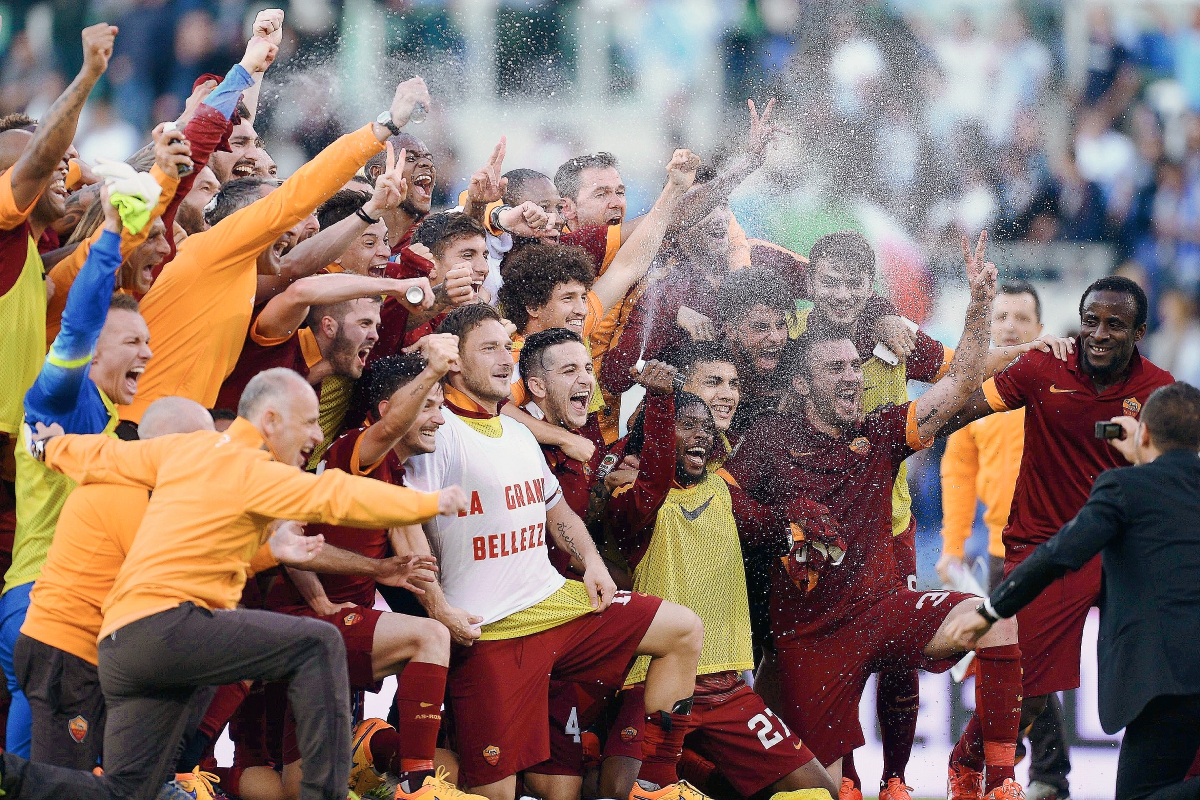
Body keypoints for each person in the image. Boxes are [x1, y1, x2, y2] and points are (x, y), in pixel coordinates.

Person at [1, 367, 467, 800]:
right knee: (318, 643)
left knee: (128, 791)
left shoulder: (179, 453)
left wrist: (47, 447)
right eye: (308, 422)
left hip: (123, 646)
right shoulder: (250, 468)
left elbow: (100, 455)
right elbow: (334, 495)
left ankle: (10, 773)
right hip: (153, 631)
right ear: (270, 420)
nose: (316, 435)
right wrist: (427, 505)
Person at [726, 233, 1026, 798]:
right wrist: (782, 523)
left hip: (880, 605)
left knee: (998, 620)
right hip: (812, 635)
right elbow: (722, 498)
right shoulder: (767, 439)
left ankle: (995, 780)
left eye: (853, 367)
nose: (852, 377)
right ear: (799, 381)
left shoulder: (882, 430)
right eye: (835, 368)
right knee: (815, 790)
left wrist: (980, 305)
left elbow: (959, 381)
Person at [397, 303, 706, 800]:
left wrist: (595, 565)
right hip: (489, 630)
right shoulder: (437, 430)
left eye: (507, 347)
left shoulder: (520, 432)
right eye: (489, 348)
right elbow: (403, 520)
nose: (505, 359)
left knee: (683, 629)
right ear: (454, 361)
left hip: (555, 606)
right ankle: (380, 749)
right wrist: (438, 607)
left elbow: (556, 510)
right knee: (495, 793)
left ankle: (655, 784)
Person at [938, 274, 1175, 798]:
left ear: (1139, 332)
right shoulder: (1041, 368)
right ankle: (972, 760)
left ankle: (1126, 782)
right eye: (1091, 321)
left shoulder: (1158, 390)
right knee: (1030, 688)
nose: (1100, 334)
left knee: (1168, 669)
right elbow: (958, 410)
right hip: (1044, 547)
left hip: (1123, 552)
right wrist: (897, 435)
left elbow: (1170, 463)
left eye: (1115, 325)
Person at [11, 395, 332, 773]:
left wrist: (270, 549)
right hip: (67, 652)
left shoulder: (156, 492)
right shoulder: (128, 491)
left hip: (97, 654)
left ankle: (172, 769)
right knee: (62, 779)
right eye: (201, 445)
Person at [118, 74, 430, 425]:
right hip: (139, 430)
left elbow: (294, 268)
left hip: (178, 434)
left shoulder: (239, 277)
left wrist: (254, 66)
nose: (293, 227)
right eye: (275, 218)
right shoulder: (208, 251)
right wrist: (387, 125)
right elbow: (298, 202)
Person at [603, 367, 839, 798]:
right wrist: (659, 403)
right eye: (687, 424)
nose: (702, 434)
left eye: (706, 427)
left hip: (726, 687)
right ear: (655, 434)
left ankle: (694, 770)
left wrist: (806, 525)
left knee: (819, 792)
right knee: (618, 793)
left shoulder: (723, 492)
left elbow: (774, 530)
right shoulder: (630, 497)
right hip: (654, 682)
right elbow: (651, 483)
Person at [262, 338, 478, 800]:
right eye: (428, 406)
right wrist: (432, 370)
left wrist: (446, 612)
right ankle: (416, 785)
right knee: (429, 638)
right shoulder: (357, 451)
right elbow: (392, 426)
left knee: (301, 788)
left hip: (332, 627)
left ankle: (368, 750)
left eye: (440, 406)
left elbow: (416, 558)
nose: (439, 418)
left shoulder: (393, 476)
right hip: (308, 622)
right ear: (389, 410)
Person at [0, 187, 151, 759]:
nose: (148, 353)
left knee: (34, 774)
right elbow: (78, 325)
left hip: (52, 609)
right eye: (133, 341)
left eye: (148, 341)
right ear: (93, 353)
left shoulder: (111, 422)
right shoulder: (60, 399)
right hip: (48, 606)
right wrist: (110, 234)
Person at [938, 281, 1072, 800]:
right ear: (987, 326)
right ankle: (1031, 774)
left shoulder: (1062, 380)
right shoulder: (971, 388)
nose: (1011, 327)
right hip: (1001, 550)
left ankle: (1017, 769)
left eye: (1021, 318)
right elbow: (959, 471)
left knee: (1032, 664)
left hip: (1061, 545)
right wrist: (952, 546)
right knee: (1023, 665)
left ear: (1041, 328)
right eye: (1001, 318)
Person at [0, 23, 118, 606]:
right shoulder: (3, 231)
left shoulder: (28, 253)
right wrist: (89, 74)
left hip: (18, 464)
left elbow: (84, 252)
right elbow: (42, 157)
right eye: (48, 162)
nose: (61, 170)